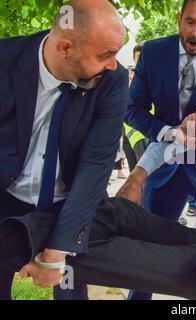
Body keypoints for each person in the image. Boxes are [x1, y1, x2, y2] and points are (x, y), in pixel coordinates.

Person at [0, 67, 196, 300]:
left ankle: (18, 246)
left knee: (112, 255)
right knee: (113, 211)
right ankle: (19, 232)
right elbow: (167, 143)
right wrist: (137, 177)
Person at [0, 0, 128, 300]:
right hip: (4, 200)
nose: (112, 64)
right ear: (66, 49)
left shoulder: (113, 80)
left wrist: (56, 251)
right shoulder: (4, 60)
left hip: (67, 206)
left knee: (71, 293)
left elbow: (96, 164)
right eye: (105, 55)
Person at [124, 0, 196, 299]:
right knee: (148, 249)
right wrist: (168, 133)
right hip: (162, 166)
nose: (195, 33)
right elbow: (132, 108)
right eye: (189, 22)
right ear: (178, 18)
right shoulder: (153, 52)